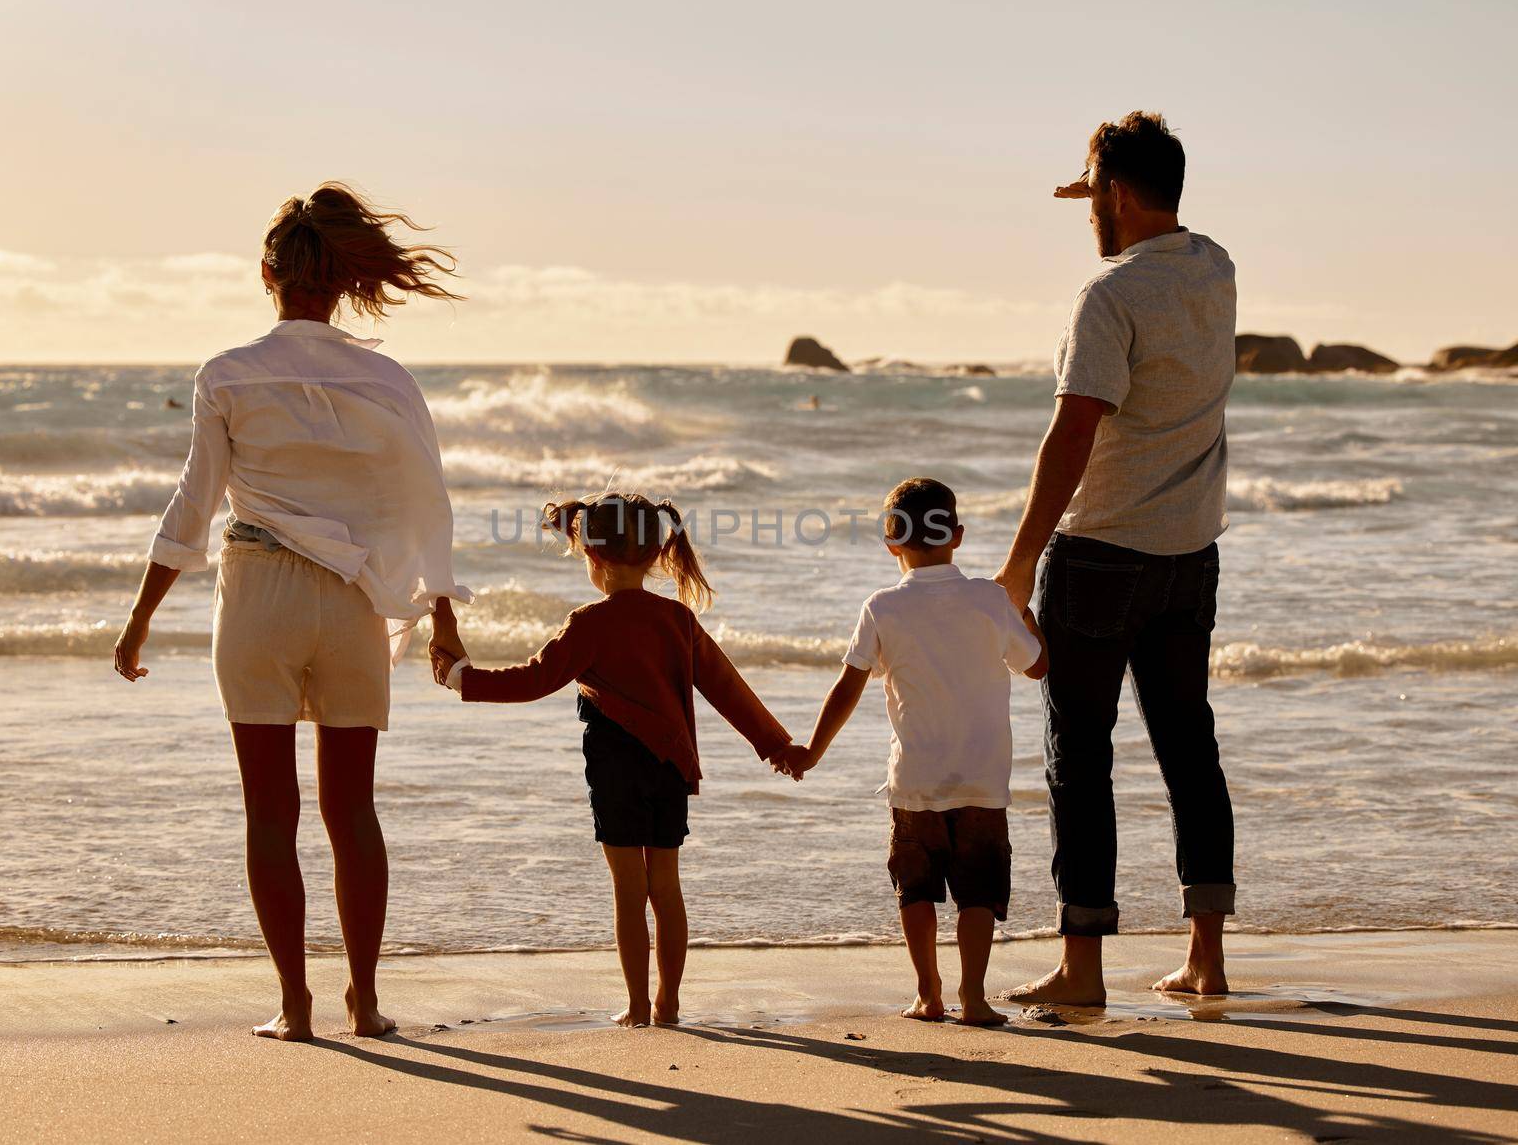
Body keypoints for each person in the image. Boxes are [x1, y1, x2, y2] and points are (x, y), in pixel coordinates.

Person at [112, 182, 473, 1041]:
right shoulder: (387, 379)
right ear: (346, 281)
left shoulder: (229, 373)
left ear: (267, 274)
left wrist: (138, 620)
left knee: (269, 810)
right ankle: (367, 1001)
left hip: (257, 598)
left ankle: (294, 1005)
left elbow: (191, 506)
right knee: (354, 812)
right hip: (351, 606)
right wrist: (442, 614)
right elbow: (428, 503)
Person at [992, 112, 1238, 1006]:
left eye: (1095, 189)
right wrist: (1100, 188)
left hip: (1100, 557)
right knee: (1188, 745)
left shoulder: (1109, 297)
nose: (1087, 205)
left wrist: (1019, 564)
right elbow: (1154, 228)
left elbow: (1073, 430)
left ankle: (1081, 966)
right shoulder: (1215, 267)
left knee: (1078, 756)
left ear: (1121, 195)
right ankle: (1206, 957)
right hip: (1189, 555)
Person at [432, 491, 797, 1028]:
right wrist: (776, 745)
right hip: (671, 768)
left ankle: (634, 1006)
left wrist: (460, 677)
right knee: (666, 887)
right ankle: (668, 1003)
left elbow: (533, 680)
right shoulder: (677, 619)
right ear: (654, 556)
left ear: (593, 558)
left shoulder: (589, 623)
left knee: (629, 890)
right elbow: (727, 687)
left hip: (615, 769)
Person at [780, 478, 1046, 1026]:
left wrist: (812, 750)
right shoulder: (989, 599)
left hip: (914, 779)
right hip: (982, 778)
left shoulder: (882, 607)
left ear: (891, 542)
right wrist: (1020, 605)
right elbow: (1038, 665)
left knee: (916, 888)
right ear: (959, 536)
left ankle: (928, 994)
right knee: (978, 891)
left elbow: (848, 687)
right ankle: (973, 997)